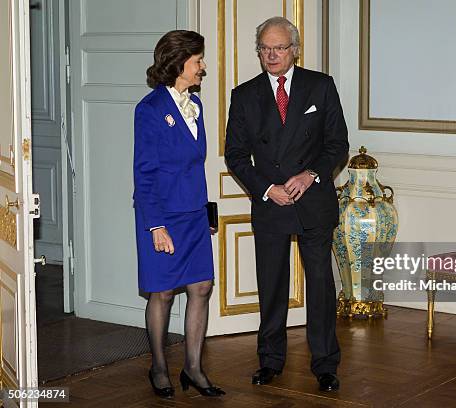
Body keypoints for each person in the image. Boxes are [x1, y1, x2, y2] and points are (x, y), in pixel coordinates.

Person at [224, 17, 349, 391]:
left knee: (322, 288)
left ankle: (326, 364)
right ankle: (270, 360)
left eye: (279, 47)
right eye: (265, 48)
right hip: (271, 205)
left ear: (294, 49)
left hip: (314, 202)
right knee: (272, 287)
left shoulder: (321, 86)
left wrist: (310, 174)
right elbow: (235, 155)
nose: (271, 54)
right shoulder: (244, 95)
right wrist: (266, 189)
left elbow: (337, 145)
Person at [133, 30, 224, 399]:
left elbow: (194, 165)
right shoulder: (150, 109)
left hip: (193, 214)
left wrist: (206, 212)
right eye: (198, 60)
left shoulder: (195, 105)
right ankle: (158, 366)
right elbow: (144, 172)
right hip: (162, 215)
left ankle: (193, 367)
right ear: (179, 62)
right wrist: (156, 225)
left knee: (201, 286)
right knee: (164, 293)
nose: (203, 67)